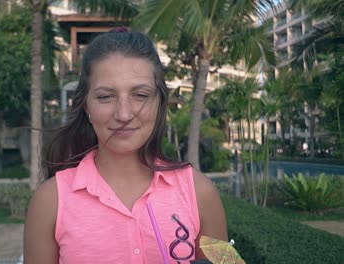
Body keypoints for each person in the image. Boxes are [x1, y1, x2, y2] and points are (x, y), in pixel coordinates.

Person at [23, 28, 227, 264]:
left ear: (160, 103)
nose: (123, 113)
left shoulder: (200, 193)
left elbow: (227, 262)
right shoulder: (50, 202)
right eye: (105, 97)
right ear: (86, 105)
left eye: (140, 95)